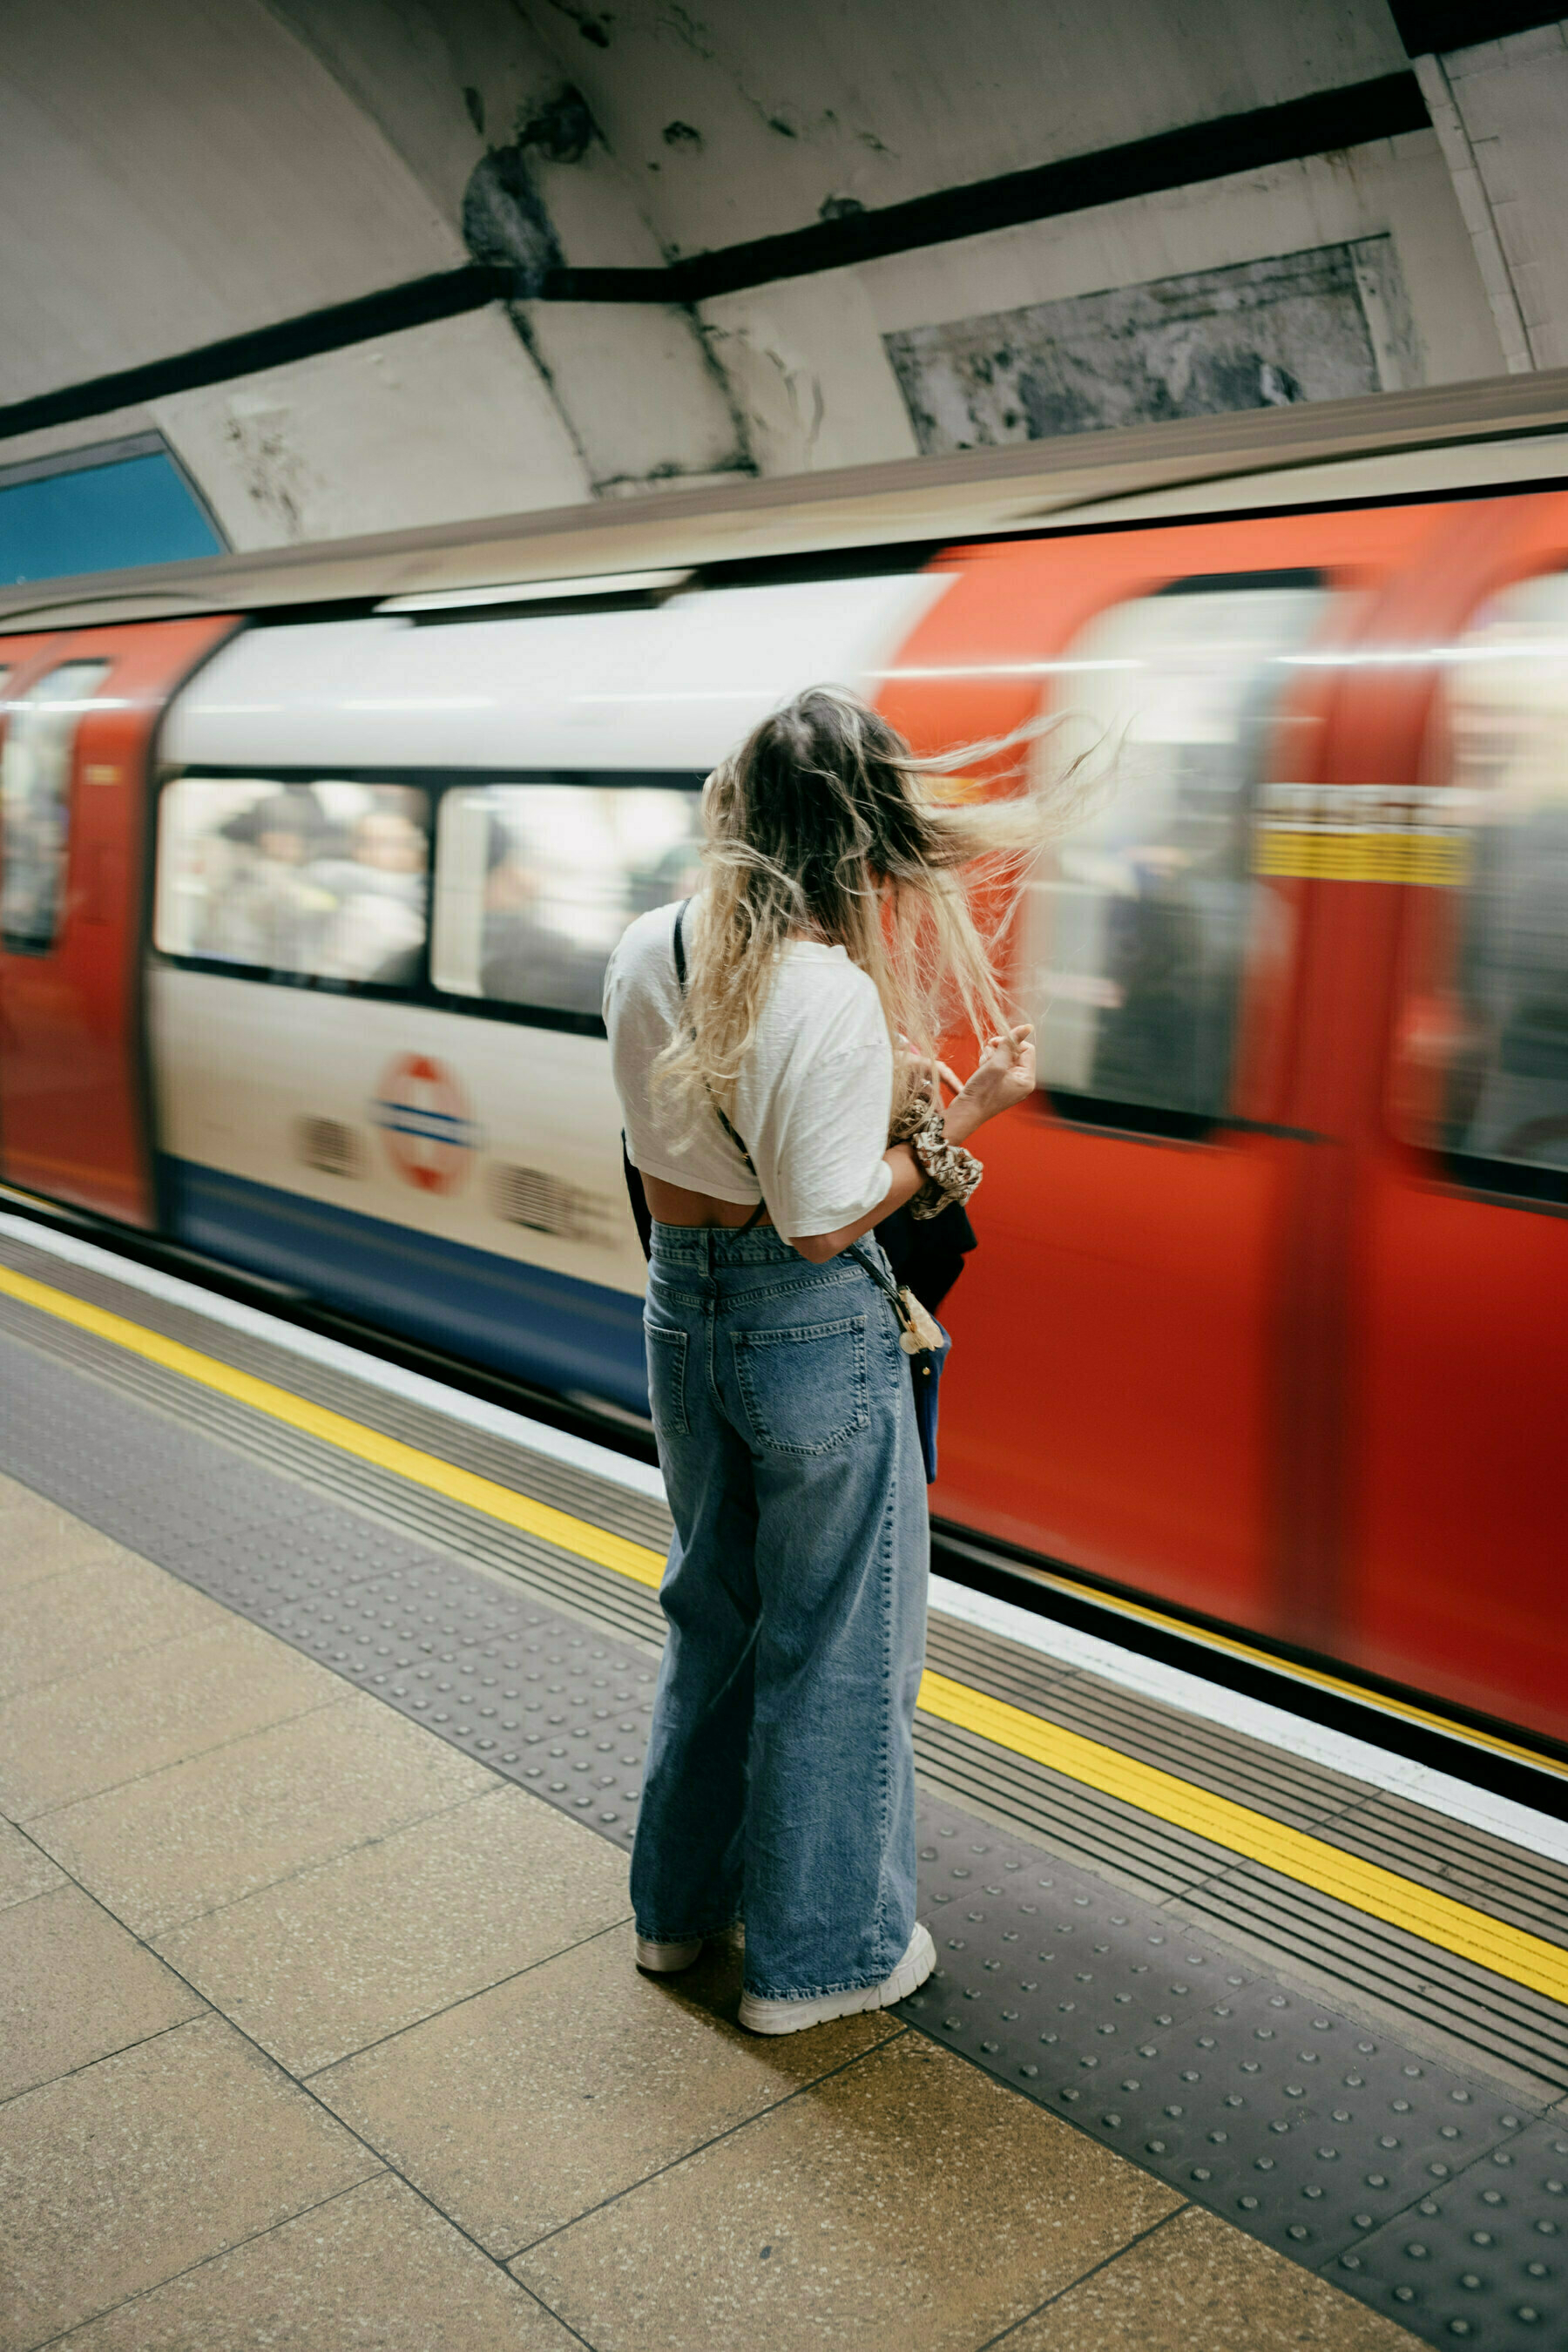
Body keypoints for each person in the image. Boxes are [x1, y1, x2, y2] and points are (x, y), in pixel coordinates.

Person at [604, 683, 1072, 2035]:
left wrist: (877, 1114)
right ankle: (822, 1962)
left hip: (681, 1313)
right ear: (862, 845)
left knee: (714, 1617)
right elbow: (819, 1226)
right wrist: (951, 1127)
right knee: (838, 1646)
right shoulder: (830, 989)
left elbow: (671, 1147)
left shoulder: (649, 947)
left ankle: (675, 1918)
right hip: (807, 1333)